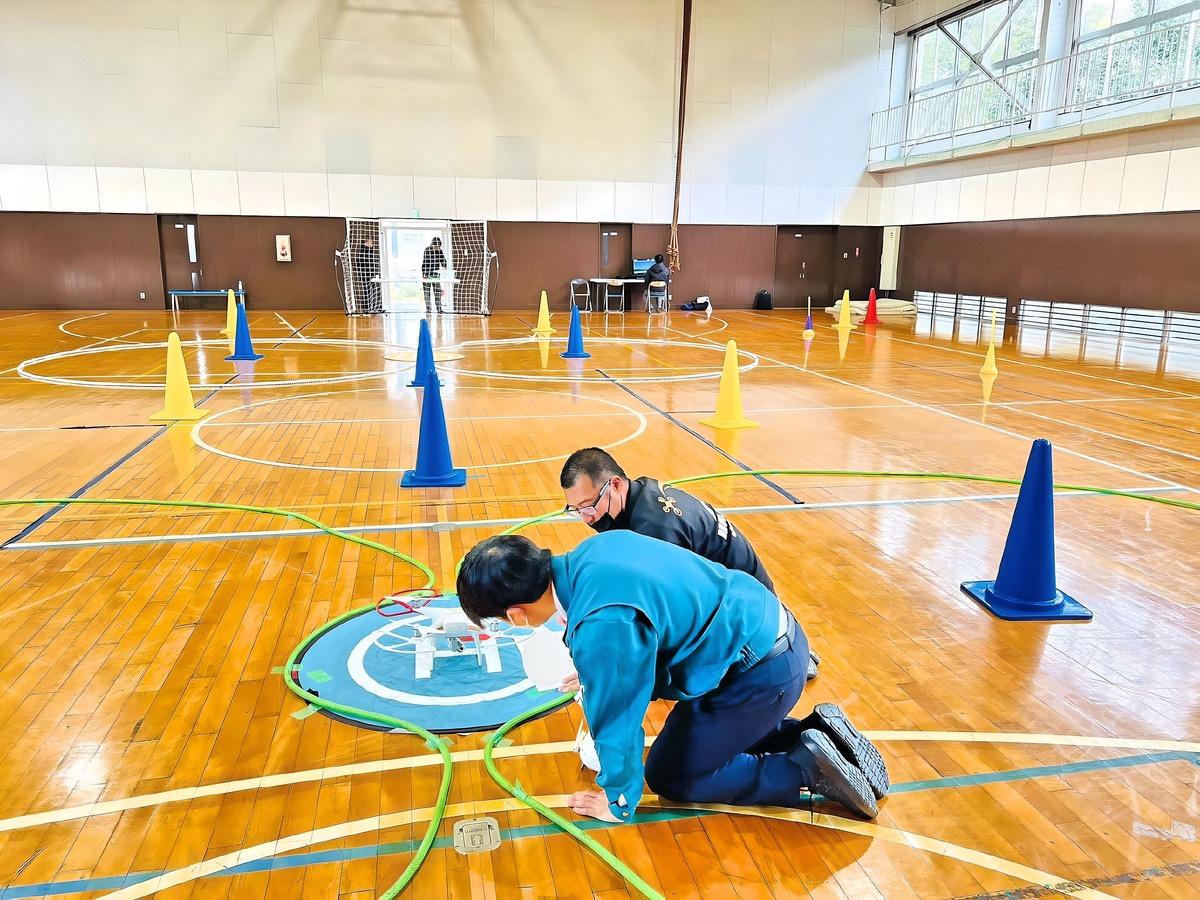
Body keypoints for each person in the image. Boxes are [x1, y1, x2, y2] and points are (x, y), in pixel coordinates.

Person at [456, 532, 889, 824]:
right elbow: (649, 624)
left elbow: (617, 722)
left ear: (514, 615)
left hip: (760, 673)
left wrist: (618, 799)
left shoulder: (601, 628)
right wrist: (598, 668)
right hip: (771, 635)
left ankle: (802, 769)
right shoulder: (597, 548)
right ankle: (816, 732)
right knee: (696, 740)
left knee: (672, 776)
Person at [560, 447, 819, 681]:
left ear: (615, 484)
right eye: (576, 510)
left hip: (749, 609)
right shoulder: (639, 495)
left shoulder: (657, 530)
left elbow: (662, 613)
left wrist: (603, 665)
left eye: (589, 507)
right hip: (739, 587)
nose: (586, 519)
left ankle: (787, 646)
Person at [421, 236, 447, 315]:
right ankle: (428, 309)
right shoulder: (427, 250)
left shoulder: (440, 251)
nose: (437, 248)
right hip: (426, 274)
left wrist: (444, 266)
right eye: (436, 246)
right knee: (426, 292)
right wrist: (425, 275)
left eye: (438, 247)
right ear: (432, 245)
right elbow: (426, 263)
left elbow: (443, 260)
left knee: (438, 291)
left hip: (435, 274)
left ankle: (439, 308)